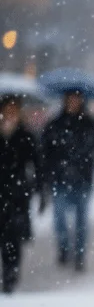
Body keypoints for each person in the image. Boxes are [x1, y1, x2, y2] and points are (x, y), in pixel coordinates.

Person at [40, 89, 94, 272]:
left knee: (81, 221)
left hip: (83, 179)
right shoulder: (54, 124)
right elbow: (44, 153)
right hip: (60, 178)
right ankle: (64, 247)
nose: (73, 102)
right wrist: (45, 177)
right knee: (60, 219)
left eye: (76, 98)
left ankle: (79, 254)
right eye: (70, 99)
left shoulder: (90, 124)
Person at [0, 97, 43, 293]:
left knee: (13, 238)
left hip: (17, 196)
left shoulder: (25, 135)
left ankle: (11, 274)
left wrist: (40, 189)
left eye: (13, 110)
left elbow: (36, 163)